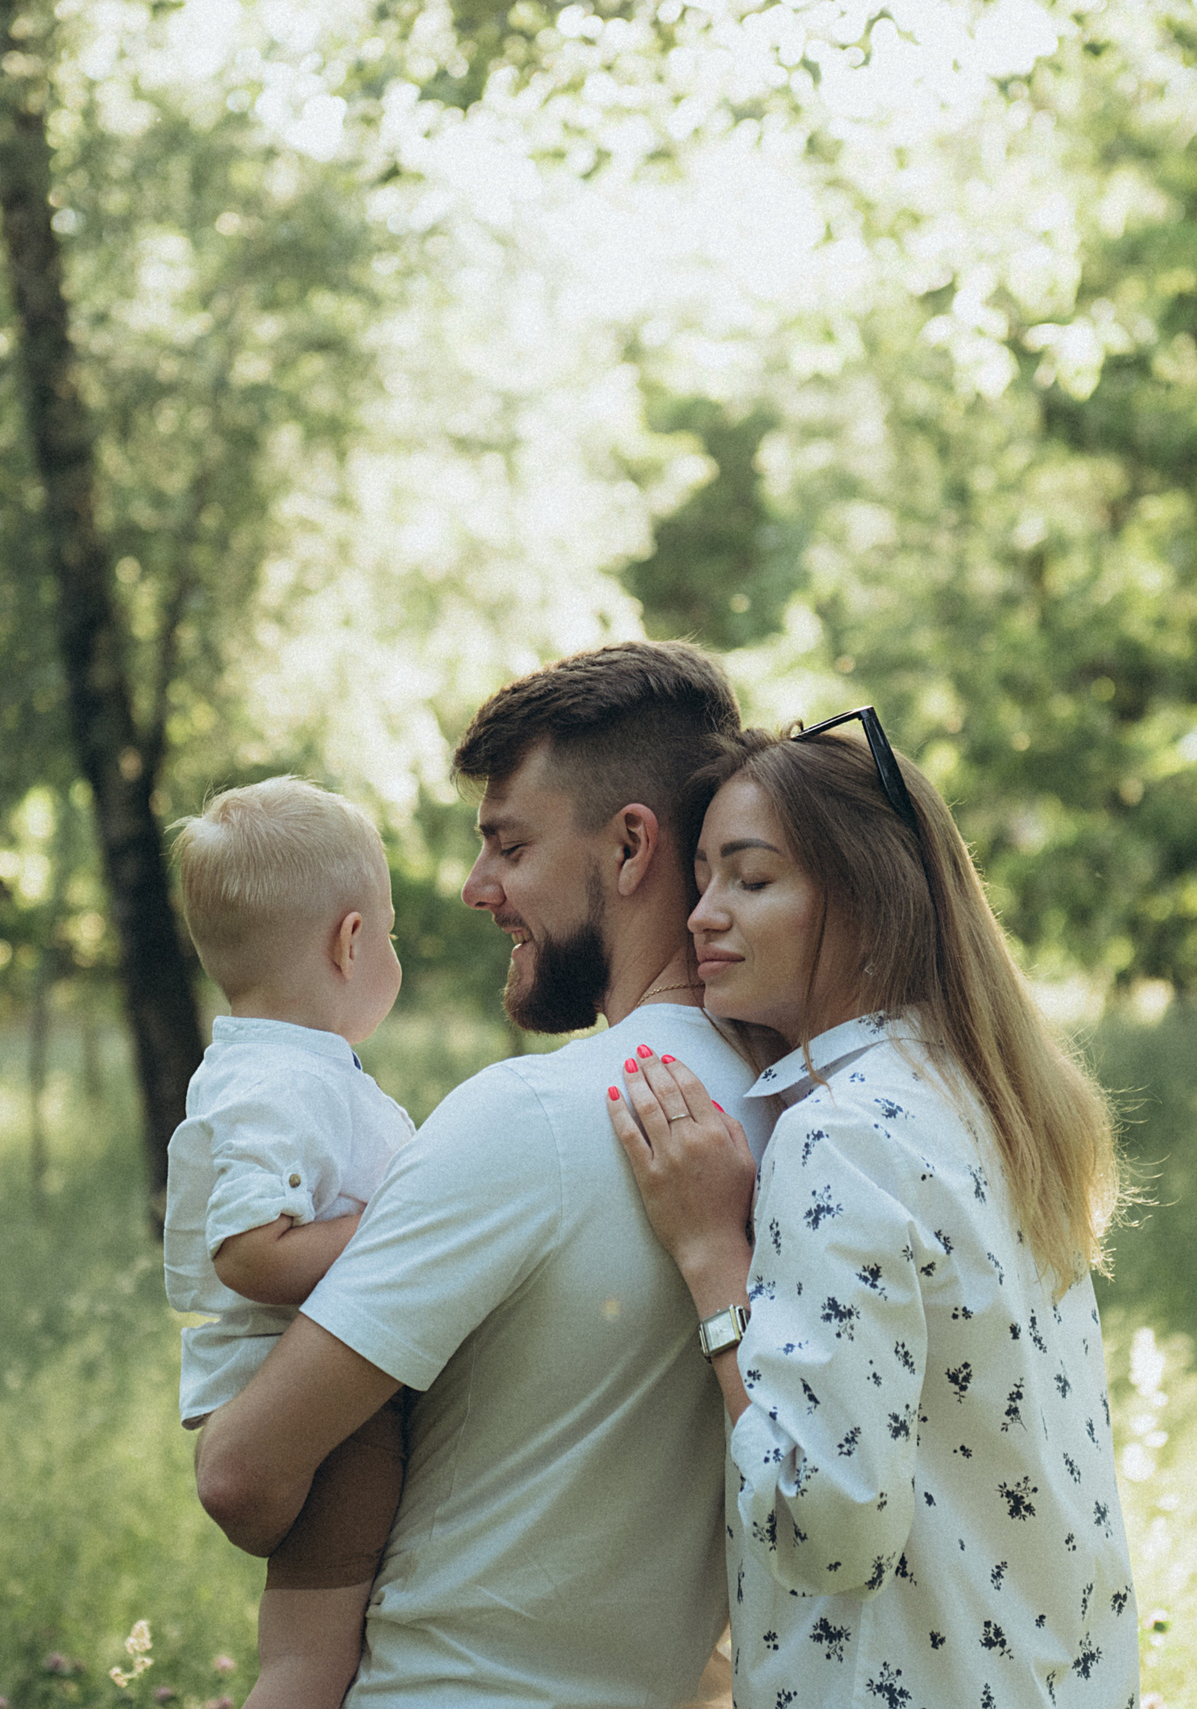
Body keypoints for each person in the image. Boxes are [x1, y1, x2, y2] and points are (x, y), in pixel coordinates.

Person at [196, 640, 777, 1709]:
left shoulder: (532, 1118)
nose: (476, 888)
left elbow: (239, 1473)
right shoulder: (789, 1112)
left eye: (509, 844)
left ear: (631, 846)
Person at [609, 710, 1141, 1709]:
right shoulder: (990, 1102)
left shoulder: (841, 1137)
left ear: (867, 899)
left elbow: (828, 1525)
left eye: (750, 879)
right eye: (703, 880)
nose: (701, 915)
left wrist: (711, 1253)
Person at [164, 777, 414, 1709]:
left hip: (322, 1385)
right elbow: (250, 1251)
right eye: (391, 934)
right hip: (315, 1400)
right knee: (311, 1658)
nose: (393, 955)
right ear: (351, 942)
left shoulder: (284, 1068)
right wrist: (393, 1225)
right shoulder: (279, 1082)